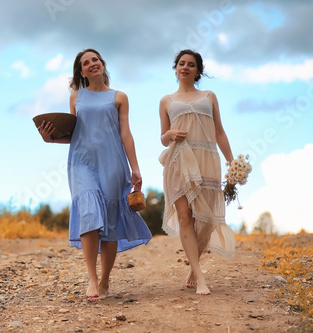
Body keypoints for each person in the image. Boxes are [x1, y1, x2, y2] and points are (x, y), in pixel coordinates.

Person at [38, 48, 152, 301]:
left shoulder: (119, 97)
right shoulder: (76, 96)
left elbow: (125, 134)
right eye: (86, 62)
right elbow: (76, 134)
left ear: (102, 64)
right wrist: (51, 140)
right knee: (89, 212)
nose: (92, 64)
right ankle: (91, 277)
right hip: (81, 162)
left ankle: (105, 278)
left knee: (110, 221)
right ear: (81, 71)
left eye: (95, 60)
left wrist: (135, 168)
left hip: (113, 163)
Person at [158, 49, 235, 295]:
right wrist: (169, 135)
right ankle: (199, 275)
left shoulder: (209, 96)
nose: (185, 67)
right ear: (176, 68)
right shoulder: (166, 101)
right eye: (181, 63)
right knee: (184, 217)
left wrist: (232, 161)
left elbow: (220, 132)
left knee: (206, 219)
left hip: (207, 159)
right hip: (179, 161)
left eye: (191, 64)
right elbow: (162, 138)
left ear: (198, 70)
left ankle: (194, 264)